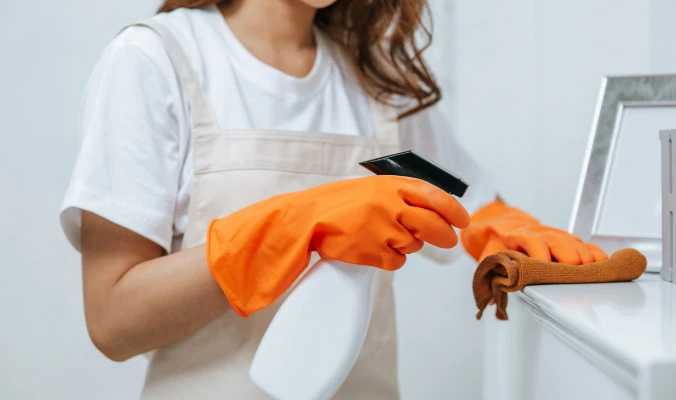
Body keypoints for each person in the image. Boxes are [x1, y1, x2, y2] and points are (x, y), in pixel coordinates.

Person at [60, 0, 607, 398]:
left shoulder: (373, 79)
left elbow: (471, 205)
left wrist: (501, 228)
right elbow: (113, 320)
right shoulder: (158, 60)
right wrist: (298, 226)